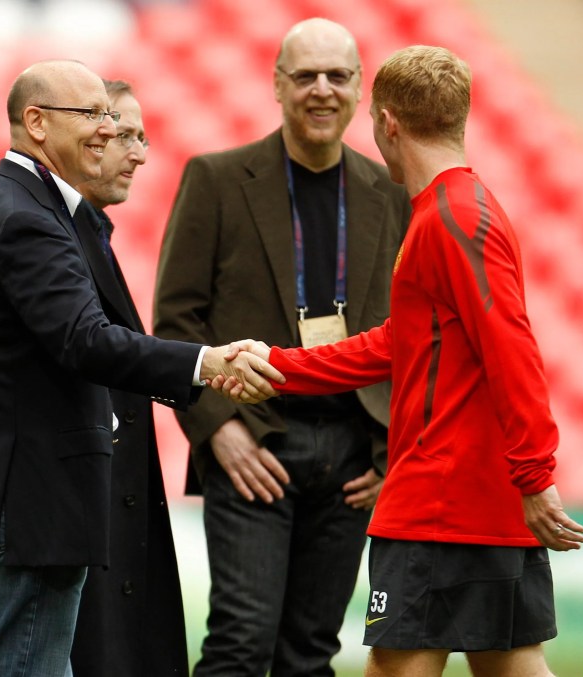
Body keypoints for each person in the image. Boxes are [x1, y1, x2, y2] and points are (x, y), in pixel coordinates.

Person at [0, 60, 282, 677]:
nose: (108, 130)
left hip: (11, 489)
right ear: (36, 123)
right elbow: (85, 340)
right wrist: (206, 362)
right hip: (30, 495)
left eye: (109, 115)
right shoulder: (28, 216)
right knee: (24, 664)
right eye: (92, 115)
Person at [219, 45, 583, 677]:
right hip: (477, 498)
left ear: (386, 122)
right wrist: (281, 364)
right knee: (513, 666)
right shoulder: (457, 210)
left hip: (440, 503)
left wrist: (534, 473)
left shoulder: (452, 218)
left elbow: (513, 346)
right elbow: (399, 343)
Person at [153, 17, 412, 677]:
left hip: (356, 455)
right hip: (255, 444)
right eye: (305, 76)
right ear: (276, 85)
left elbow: (417, 338)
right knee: (241, 644)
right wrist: (218, 430)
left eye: (337, 76)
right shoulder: (215, 179)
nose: (321, 90)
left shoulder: (394, 194)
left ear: (360, 90)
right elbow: (176, 322)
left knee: (311, 654)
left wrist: (392, 455)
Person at [66, 79, 188, 677]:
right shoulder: (53, 233)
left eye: (144, 136)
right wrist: (203, 365)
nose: (140, 153)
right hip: (77, 509)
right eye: (128, 136)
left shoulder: (94, 232)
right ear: (91, 138)